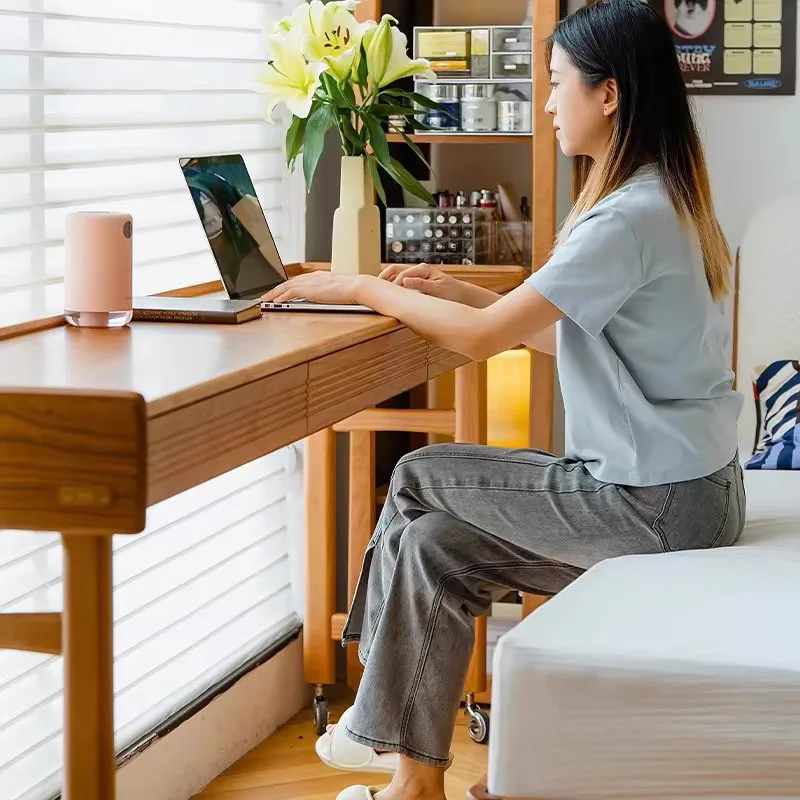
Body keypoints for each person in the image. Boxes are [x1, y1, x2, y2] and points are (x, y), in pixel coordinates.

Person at [263, 2, 745, 798]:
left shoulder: (624, 218)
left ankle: (371, 715)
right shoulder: (664, 196)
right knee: (434, 548)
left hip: (651, 502)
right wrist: (456, 290)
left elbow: (485, 341)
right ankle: (414, 782)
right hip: (695, 494)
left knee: (418, 473)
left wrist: (357, 287)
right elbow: (573, 337)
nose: (547, 103)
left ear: (609, 94)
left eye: (556, 83)